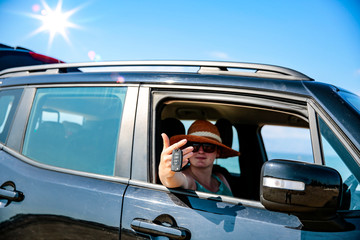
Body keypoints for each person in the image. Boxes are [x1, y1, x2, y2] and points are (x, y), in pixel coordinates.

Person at [159, 120, 240, 196]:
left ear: (217, 152)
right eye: (195, 147)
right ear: (187, 149)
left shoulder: (221, 177)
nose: (201, 151)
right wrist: (166, 173)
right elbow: (173, 180)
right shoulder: (188, 180)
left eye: (208, 147)